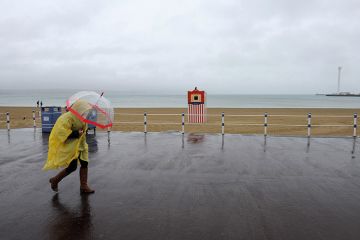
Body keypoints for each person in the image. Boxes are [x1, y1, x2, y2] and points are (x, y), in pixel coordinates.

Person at [43, 99, 95, 194]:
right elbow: (60, 132)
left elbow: (83, 129)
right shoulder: (67, 118)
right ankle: (55, 180)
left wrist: (82, 132)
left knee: (84, 163)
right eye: (83, 110)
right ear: (78, 108)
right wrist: (75, 133)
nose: (85, 112)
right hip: (71, 146)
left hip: (81, 144)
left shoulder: (81, 117)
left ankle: (84, 186)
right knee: (72, 167)